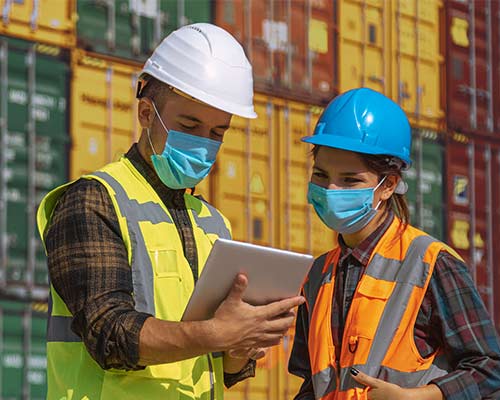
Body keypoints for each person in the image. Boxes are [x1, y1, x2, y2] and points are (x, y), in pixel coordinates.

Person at [37, 23, 304, 400]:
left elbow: (220, 366)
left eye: (217, 133)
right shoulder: (92, 201)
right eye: (189, 126)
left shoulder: (214, 223)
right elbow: (109, 335)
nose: (203, 144)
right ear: (146, 113)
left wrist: (240, 344)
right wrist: (218, 332)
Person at [288, 88, 500, 399]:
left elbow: (490, 368)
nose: (331, 189)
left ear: (387, 185)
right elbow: (313, 386)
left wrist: (421, 397)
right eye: (321, 175)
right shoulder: (317, 275)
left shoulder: (430, 263)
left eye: (350, 180)